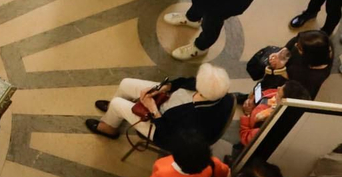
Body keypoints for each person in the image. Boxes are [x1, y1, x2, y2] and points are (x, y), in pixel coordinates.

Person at [87, 62, 234, 145]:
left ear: (202, 90)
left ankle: (109, 127)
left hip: (161, 128)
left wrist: (152, 109)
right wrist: (160, 88)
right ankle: (114, 113)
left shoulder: (194, 118)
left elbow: (167, 132)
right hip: (165, 101)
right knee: (126, 83)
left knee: (117, 103)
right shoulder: (217, 91)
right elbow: (182, 82)